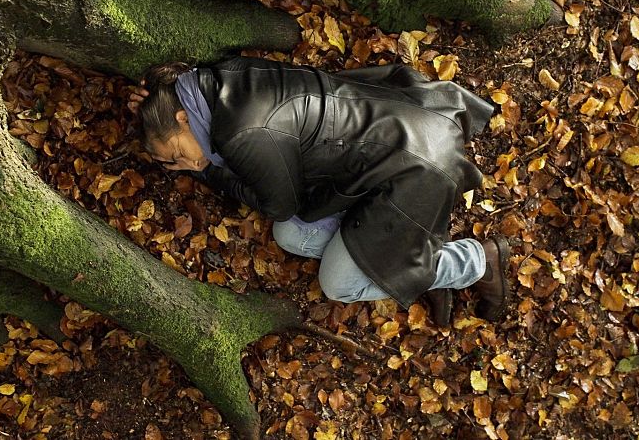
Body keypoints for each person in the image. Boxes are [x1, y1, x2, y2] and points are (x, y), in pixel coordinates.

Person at [131, 57, 510, 326]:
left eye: (179, 154)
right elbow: (285, 211)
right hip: (385, 146)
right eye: (173, 163)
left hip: (415, 167)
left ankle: (474, 262)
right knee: (292, 234)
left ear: (182, 117)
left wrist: (208, 171)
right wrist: (155, 104)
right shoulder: (212, 81)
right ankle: (401, 266)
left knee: (338, 284)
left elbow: (279, 204)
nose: (188, 164)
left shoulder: (243, 135)